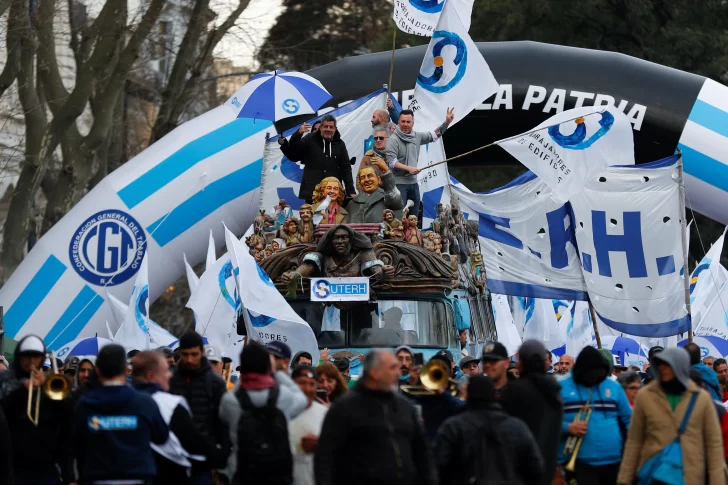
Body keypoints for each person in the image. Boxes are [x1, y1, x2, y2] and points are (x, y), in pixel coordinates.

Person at [314, 350, 437, 485]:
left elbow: (422, 453)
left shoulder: (405, 407)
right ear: (374, 372)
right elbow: (325, 458)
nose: (398, 373)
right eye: (392, 368)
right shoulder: (344, 409)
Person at [617, 347, 723, 485]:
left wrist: (717, 481)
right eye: (660, 364)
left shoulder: (701, 399)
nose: (662, 368)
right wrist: (624, 479)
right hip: (654, 472)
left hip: (689, 476)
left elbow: (713, 444)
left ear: (679, 366)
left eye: (668, 365)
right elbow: (634, 440)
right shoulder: (645, 396)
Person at [73, 344, 169, 484]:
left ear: (98, 371)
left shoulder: (84, 405)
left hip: (98, 478)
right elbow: (161, 437)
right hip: (139, 477)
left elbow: (76, 444)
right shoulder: (144, 402)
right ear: (125, 370)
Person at [218, 341, 307, 485]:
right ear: (267, 366)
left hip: (243, 472)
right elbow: (302, 399)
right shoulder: (283, 396)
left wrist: (244, 376)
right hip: (277, 475)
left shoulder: (231, 401)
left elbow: (222, 415)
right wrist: (276, 372)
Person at [132, 351, 226, 484]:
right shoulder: (168, 404)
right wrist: (219, 458)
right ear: (150, 376)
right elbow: (193, 443)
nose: (170, 374)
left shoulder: (120, 402)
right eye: (165, 371)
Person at [433, 375, 544, 485]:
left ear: (467, 396)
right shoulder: (517, 426)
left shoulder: (453, 426)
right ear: (495, 396)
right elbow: (536, 468)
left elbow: (438, 465)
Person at [0, 335, 74, 485]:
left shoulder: (49, 381)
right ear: (19, 357)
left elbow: (66, 422)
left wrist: (69, 476)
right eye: (27, 357)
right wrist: (23, 390)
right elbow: (3, 412)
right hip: (13, 469)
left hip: (47, 469)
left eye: (36, 356)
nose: (32, 361)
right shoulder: (6, 379)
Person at [558, 346, 632, 485]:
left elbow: (629, 420)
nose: (596, 379)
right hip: (579, 462)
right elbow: (547, 422)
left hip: (614, 461)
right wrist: (568, 427)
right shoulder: (561, 387)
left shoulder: (613, 387)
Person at [168, 332, 229, 485]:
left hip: (204, 460)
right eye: (185, 354)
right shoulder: (171, 381)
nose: (189, 359)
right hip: (175, 458)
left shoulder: (215, 383)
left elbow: (222, 422)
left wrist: (220, 456)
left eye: (194, 354)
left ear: (202, 352)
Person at [500, 340, 563, 485]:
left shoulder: (514, 390)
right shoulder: (555, 390)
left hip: (518, 468)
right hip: (547, 464)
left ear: (522, 363)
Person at [385, 108, 453, 218]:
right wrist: (409, 168)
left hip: (413, 183)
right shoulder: (393, 139)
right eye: (403, 121)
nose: (405, 124)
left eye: (408, 122)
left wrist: (447, 122)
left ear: (413, 123)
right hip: (398, 184)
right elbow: (392, 162)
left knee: (414, 218)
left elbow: (434, 136)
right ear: (398, 122)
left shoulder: (417, 136)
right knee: (398, 218)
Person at [278, 114, 355, 204]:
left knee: (335, 218)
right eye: (325, 126)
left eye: (331, 127)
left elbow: (345, 168)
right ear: (321, 127)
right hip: (311, 193)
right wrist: (298, 134)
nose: (328, 129)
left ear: (335, 129)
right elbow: (294, 154)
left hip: (333, 194)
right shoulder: (310, 139)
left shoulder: (340, 144)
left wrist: (351, 191)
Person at [289, 365, 328, 485]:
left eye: (312, 384)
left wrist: (320, 445)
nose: (307, 389)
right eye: (302, 382)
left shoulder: (325, 414)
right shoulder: (281, 412)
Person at [348, 158, 404, 224]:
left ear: (379, 179)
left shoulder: (387, 199)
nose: (366, 180)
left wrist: (387, 171)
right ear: (360, 183)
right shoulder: (352, 204)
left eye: (370, 176)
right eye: (363, 177)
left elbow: (394, 197)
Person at [356, 127, 389, 191]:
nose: (378, 140)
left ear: (388, 139)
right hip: (372, 195)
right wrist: (365, 195)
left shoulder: (394, 156)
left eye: (381, 138)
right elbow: (359, 178)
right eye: (376, 138)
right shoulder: (368, 156)